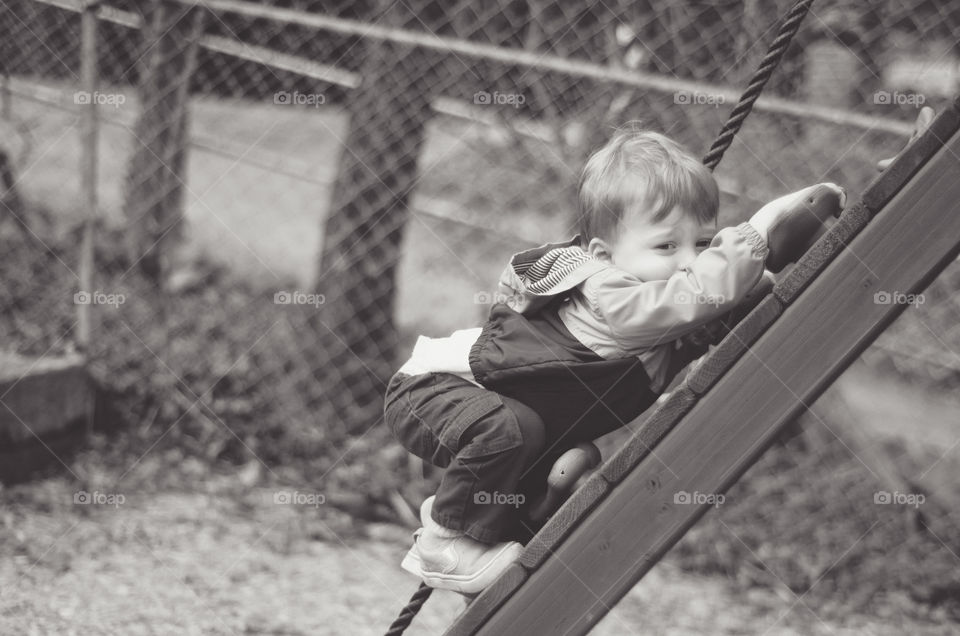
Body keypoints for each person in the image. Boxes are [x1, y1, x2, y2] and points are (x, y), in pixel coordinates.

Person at [383, 125, 845, 594]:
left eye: (703, 244)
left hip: (512, 417)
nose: (688, 260)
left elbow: (710, 321)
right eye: (666, 245)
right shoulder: (609, 294)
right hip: (431, 389)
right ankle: (442, 541)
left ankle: (525, 514)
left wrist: (766, 274)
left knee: (533, 445)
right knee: (509, 430)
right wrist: (755, 238)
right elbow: (697, 295)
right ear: (605, 254)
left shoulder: (660, 323)